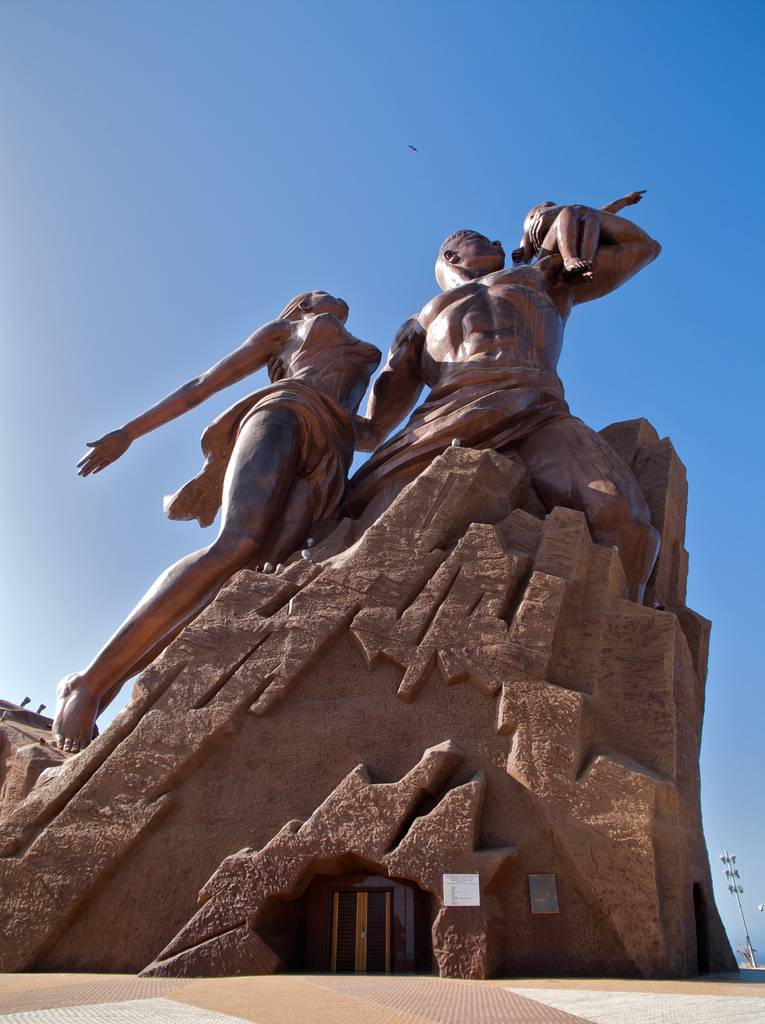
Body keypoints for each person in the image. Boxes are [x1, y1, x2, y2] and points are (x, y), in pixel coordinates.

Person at [52, 291, 380, 752]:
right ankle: (89, 684)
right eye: (317, 295)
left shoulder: (366, 352)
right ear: (302, 305)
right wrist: (128, 432)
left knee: (255, 579)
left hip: (332, 452)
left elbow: (371, 431)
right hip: (284, 413)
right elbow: (203, 384)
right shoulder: (285, 331)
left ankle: (125, 696)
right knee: (237, 544)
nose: (334, 296)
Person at [349, 214, 661, 604]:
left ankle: (613, 631)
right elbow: (371, 430)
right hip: (441, 426)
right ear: (452, 255)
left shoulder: (540, 276)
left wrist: (582, 215)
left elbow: (643, 248)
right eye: (482, 239)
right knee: (380, 532)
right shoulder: (418, 323)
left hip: (539, 411)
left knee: (622, 517)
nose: (499, 244)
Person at [512, 190, 647, 279]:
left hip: (573, 248)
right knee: (569, 211)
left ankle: (584, 267)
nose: (549, 210)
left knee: (592, 218)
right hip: (546, 255)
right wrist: (517, 260)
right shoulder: (530, 234)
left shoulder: (569, 222)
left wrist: (624, 201)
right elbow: (522, 262)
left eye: (551, 207)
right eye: (545, 208)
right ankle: (570, 259)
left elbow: (602, 213)